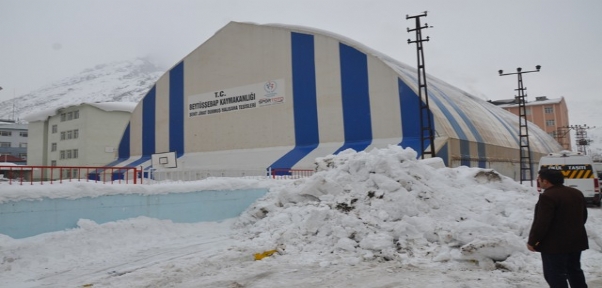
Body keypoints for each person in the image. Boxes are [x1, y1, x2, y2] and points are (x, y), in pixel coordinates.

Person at [527, 168, 589, 288]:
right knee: (575, 271)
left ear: (546, 181)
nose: (538, 181)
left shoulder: (548, 196)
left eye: (539, 179)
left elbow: (542, 222)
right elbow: (583, 216)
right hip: (576, 241)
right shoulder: (576, 193)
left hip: (554, 246)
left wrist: (532, 241)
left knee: (554, 275)